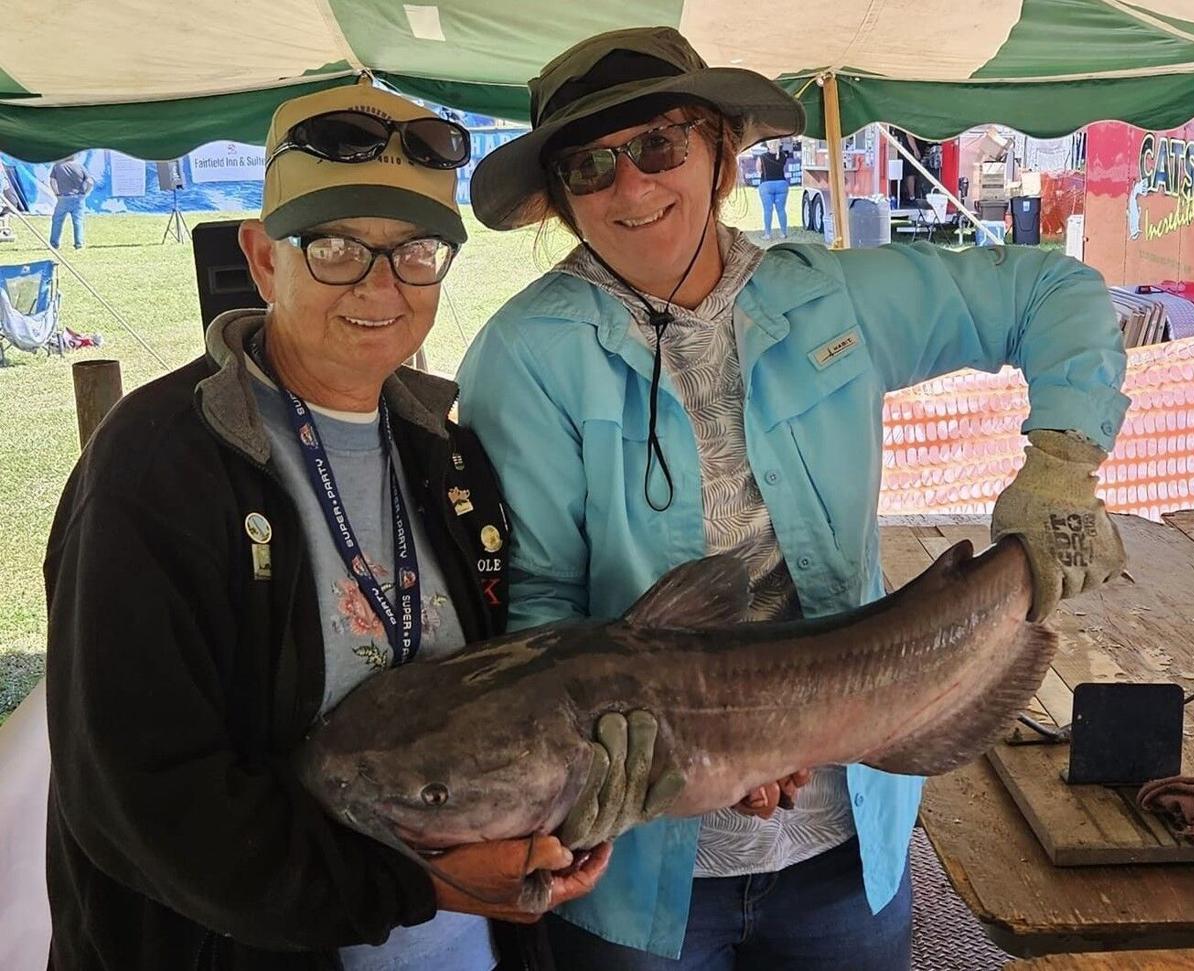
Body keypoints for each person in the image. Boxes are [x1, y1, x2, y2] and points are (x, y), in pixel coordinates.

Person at [459, 26, 1129, 971]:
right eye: (589, 165)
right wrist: (680, 753)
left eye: (659, 145)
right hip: (641, 868)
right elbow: (537, 607)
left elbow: (1053, 290)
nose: (632, 187)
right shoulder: (524, 356)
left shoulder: (828, 298)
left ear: (720, 152)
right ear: (563, 201)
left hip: (849, 836)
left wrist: (1063, 462)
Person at [43, 79, 617, 971]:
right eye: (338, 246)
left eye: (416, 251)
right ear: (264, 258)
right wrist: (416, 886)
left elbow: (511, 699)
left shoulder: (447, 454)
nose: (381, 285)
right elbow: (141, 801)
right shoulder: (155, 468)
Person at [48, 152, 93, 249]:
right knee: (78, 222)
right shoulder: (80, 167)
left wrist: (57, 193)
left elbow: (52, 181)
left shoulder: (57, 166)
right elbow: (90, 182)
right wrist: (85, 192)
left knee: (57, 221)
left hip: (63, 197)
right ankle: (79, 244)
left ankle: (54, 244)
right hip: (78, 198)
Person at [755, 138, 790, 238]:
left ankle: (767, 234)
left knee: (767, 210)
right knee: (781, 210)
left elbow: (759, 170)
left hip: (766, 185)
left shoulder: (761, 157)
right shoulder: (783, 156)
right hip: (781, 184)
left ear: (768, 145)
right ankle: (783, 233)